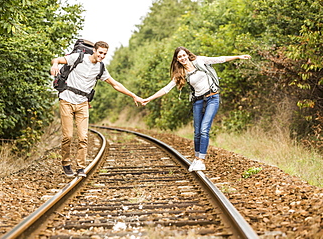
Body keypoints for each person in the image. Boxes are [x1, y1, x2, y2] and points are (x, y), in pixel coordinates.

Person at [142, 46, 251, 171]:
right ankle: (197, 157)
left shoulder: (200, 61)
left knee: (204, 129)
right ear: (177, 60)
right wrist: (149, 99)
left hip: (212, 98)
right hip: (198, 101)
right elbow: (166, 89)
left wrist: (238, 56)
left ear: (187, 54)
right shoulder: (181, 73)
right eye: (179, 57)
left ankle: (201, 160)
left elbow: (219, 59)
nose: (183, 58)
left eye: (184, 55)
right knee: (197, 131)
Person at [50, 41, 143, 177]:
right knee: (68, 136)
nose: (102, 56)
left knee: (83, 137)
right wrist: (55, 64)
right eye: (100, 52)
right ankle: (66, 163)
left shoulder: (101, 68)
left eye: (105, 54)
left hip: (83, 103)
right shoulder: (78, 58)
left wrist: (133, 95)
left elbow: (115, 84)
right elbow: (56, 59)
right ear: (94, 50)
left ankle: (81, 167)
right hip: (67, 100)